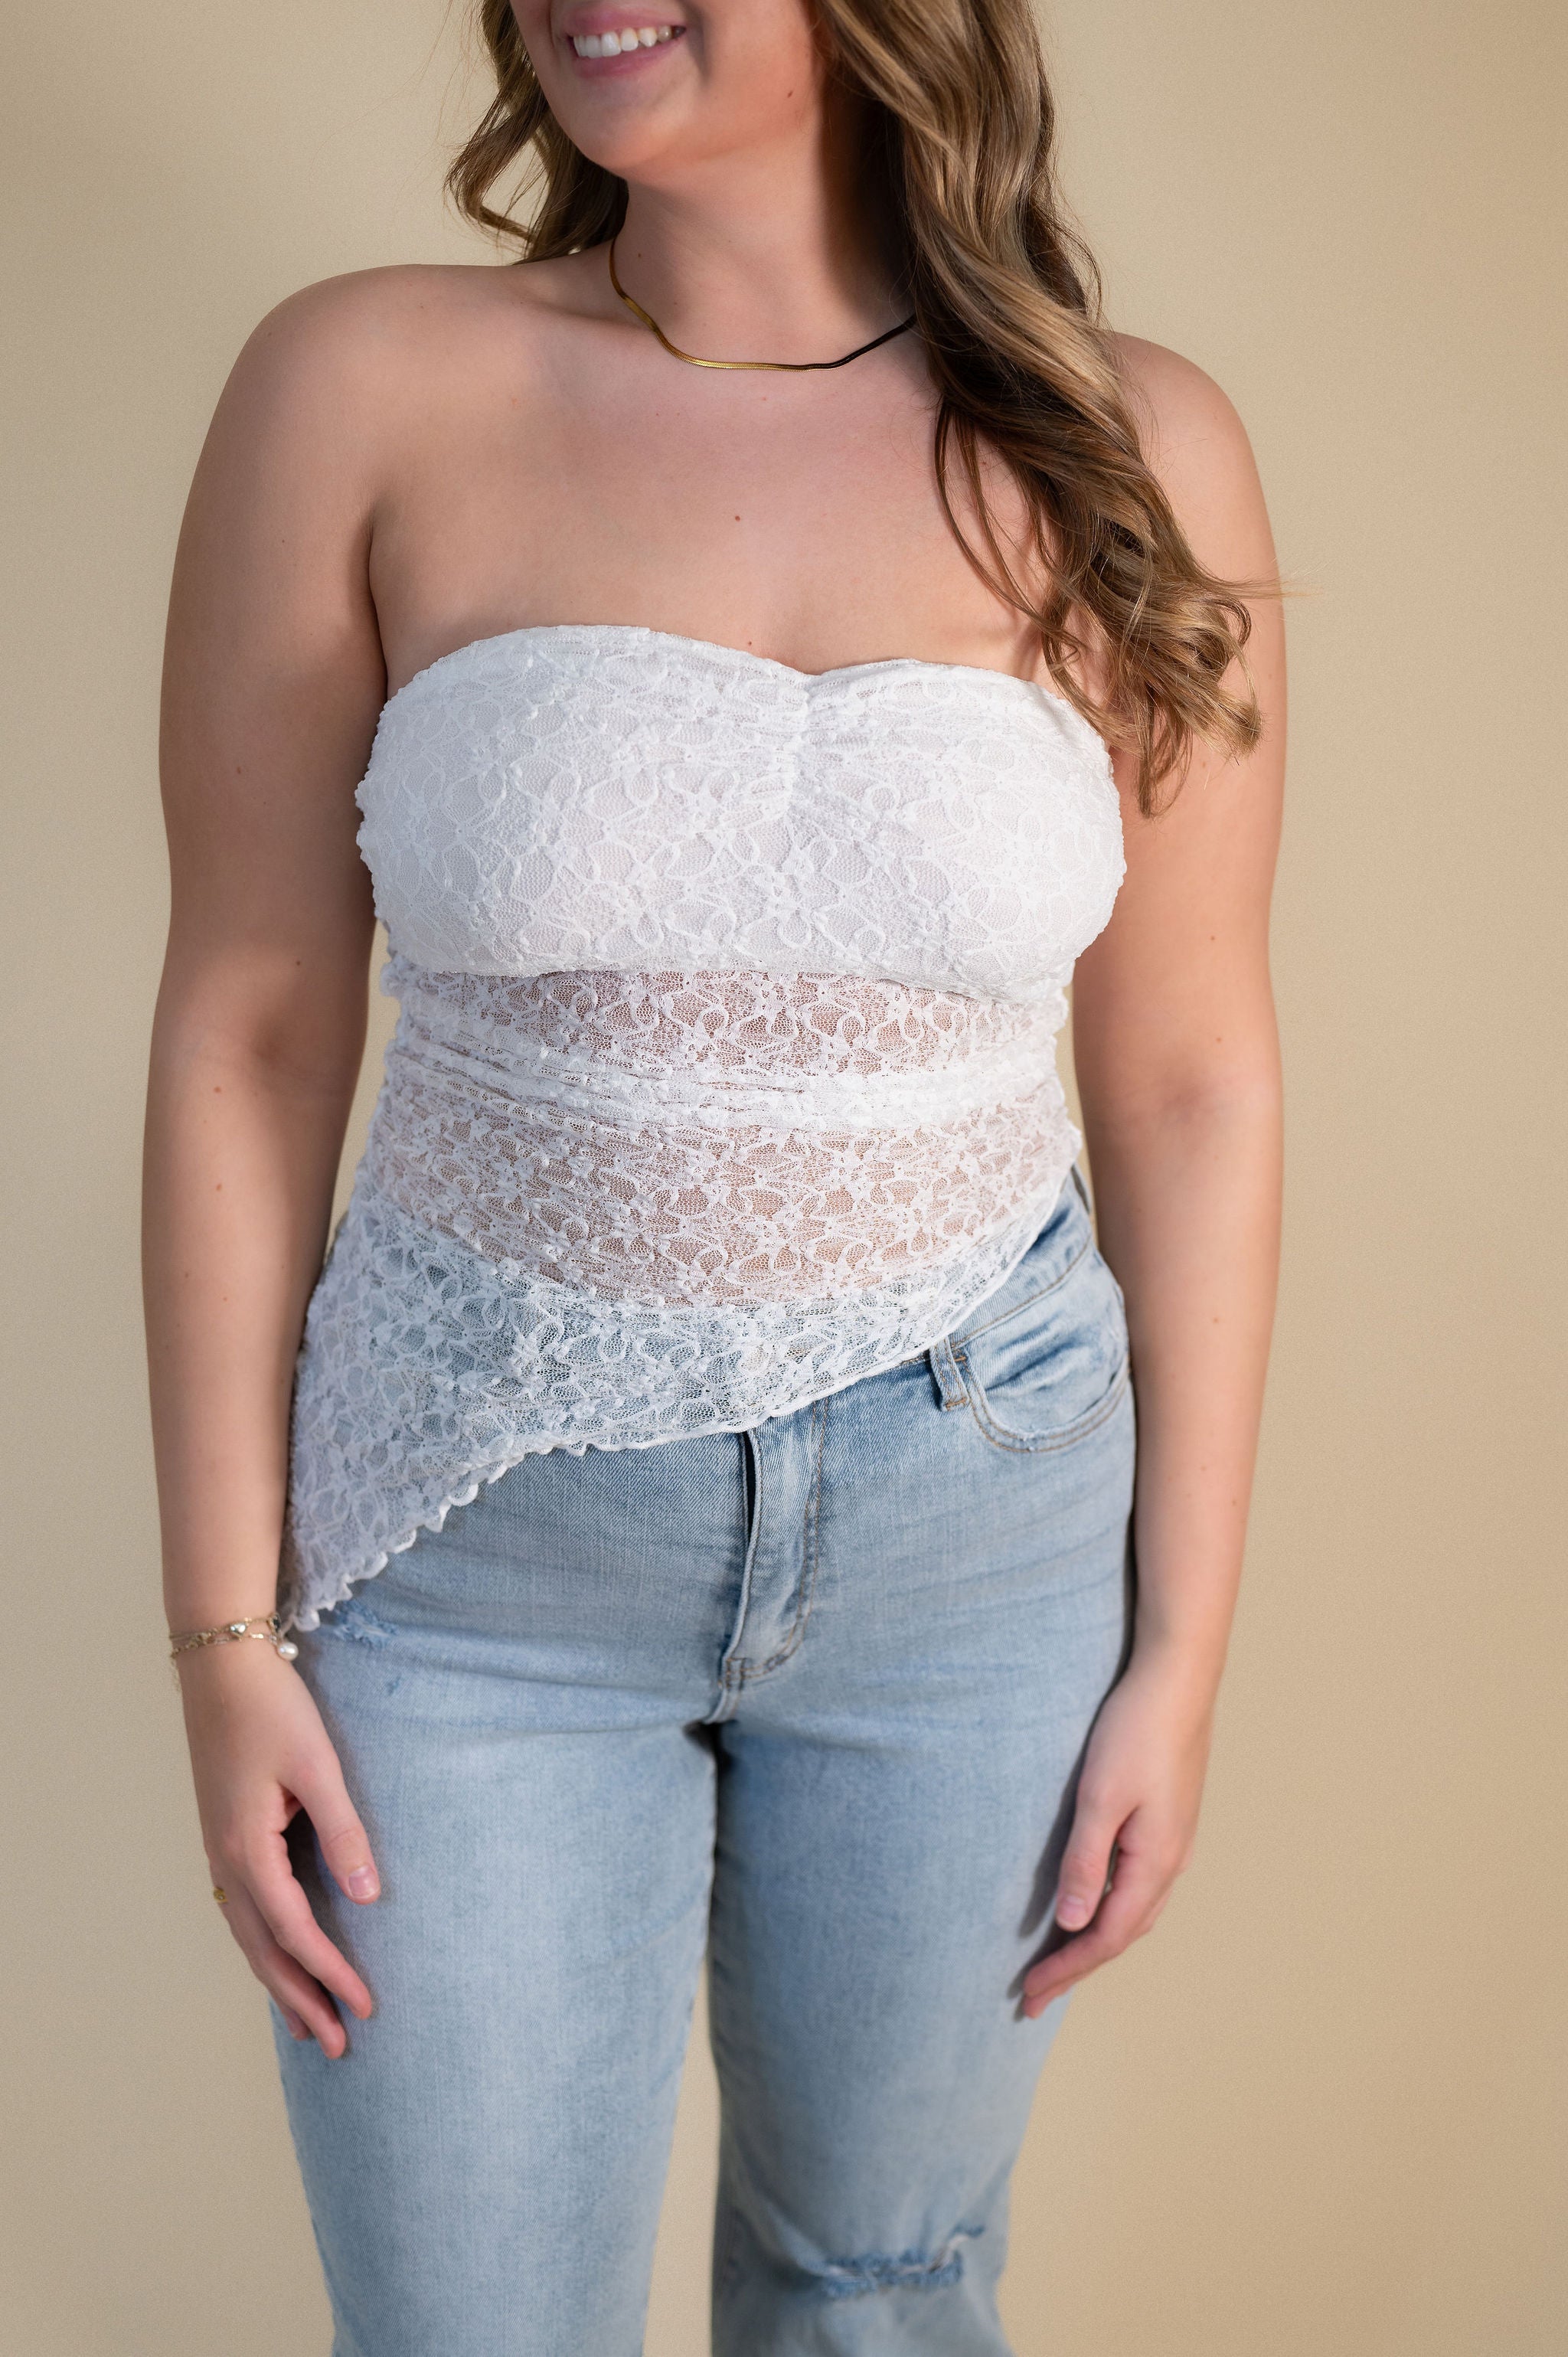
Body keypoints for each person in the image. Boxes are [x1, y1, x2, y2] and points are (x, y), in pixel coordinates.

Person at [144, 0, 1284, 2348]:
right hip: (467, 1536)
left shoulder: (1132, 445)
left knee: (882, 2294)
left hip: (983, 1530)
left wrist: (1181, 1649)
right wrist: (225, 1636)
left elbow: (1190, 1075)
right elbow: (250, 1027)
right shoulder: (363, 386)